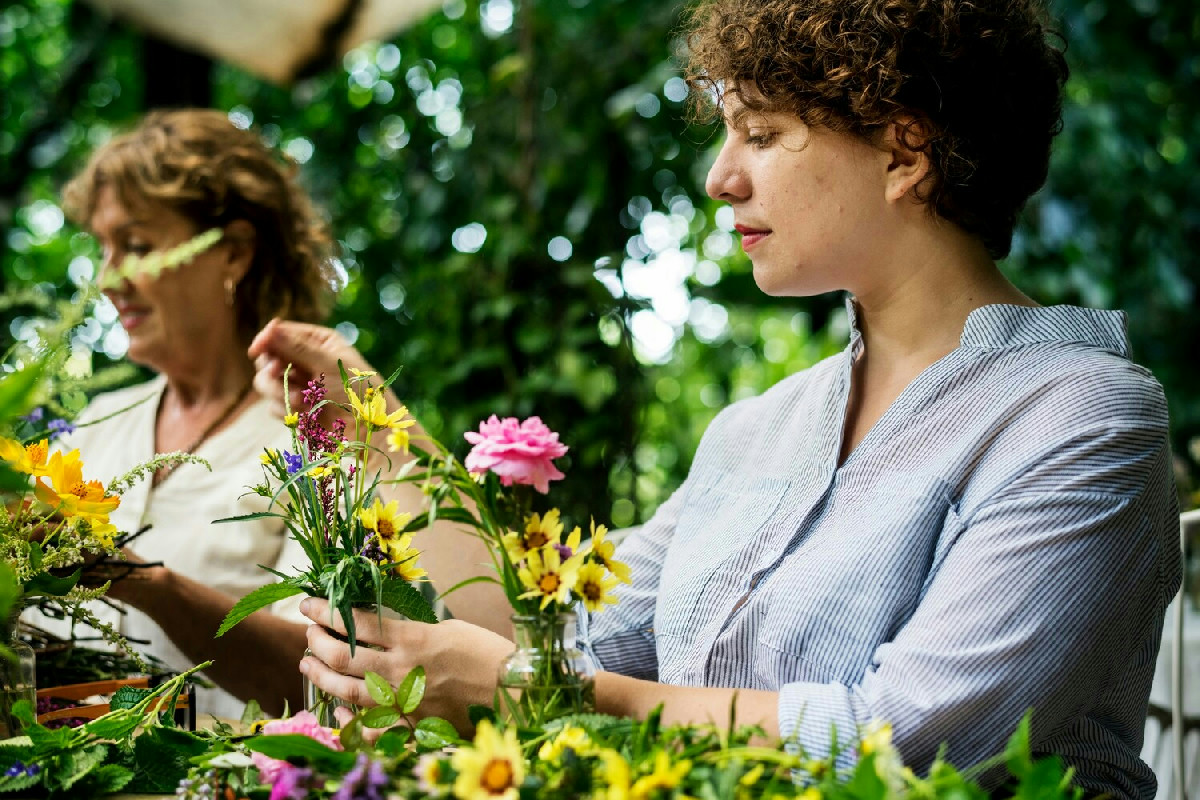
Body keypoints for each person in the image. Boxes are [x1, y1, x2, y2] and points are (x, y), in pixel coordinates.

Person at [256, 0, 1178, 795]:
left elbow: (910, 744)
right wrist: (376, 437)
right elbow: (557, 630)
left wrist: (540, 692)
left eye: (763, 134)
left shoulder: (1081, 416)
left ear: (905, 153)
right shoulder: (756, 432)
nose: (719, 177)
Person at [37, 109, 340, 718]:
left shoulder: (318, 440)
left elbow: (324, 682)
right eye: (103, 248)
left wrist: (143, 581)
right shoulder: (95, 425)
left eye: (137, 246)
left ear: (232, 252)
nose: (108, 279)